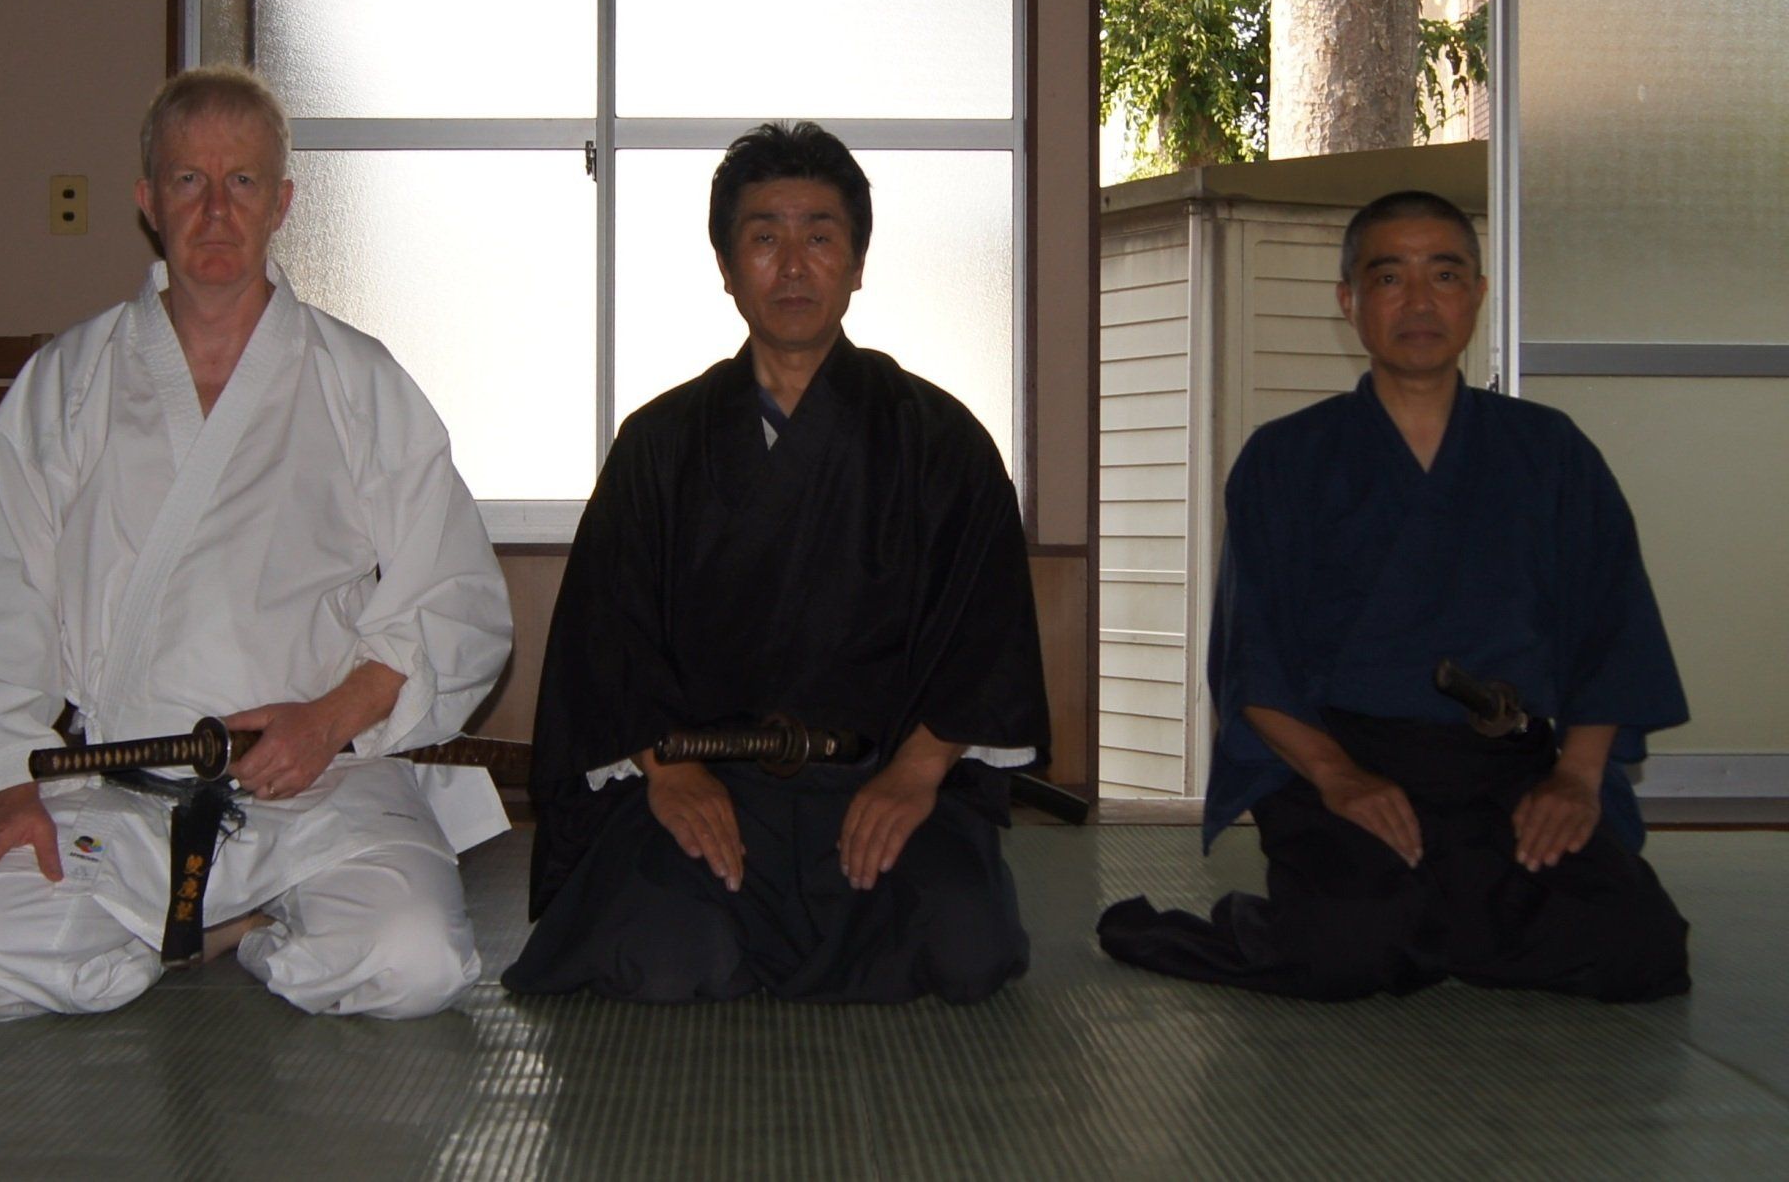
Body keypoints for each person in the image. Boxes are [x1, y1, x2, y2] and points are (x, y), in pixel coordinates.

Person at [0, 67, 514, 1021]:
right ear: (149, 202)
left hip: (319, 780)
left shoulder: (358, 380)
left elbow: (459, 594)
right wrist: (5, 784)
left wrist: (330, 717)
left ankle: (237, 928)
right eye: (189, 181)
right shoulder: (67, 382)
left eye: (242, 182)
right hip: (118, 787)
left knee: (416, 962)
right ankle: (195, 930)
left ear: (282, 201)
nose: (217, 210)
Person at [504, 122, 1050, 1004]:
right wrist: (671, 772)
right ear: (726, 266)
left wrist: (917, 774)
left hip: (882, 780)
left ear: (858, 262)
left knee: (964, 948)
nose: (793, 265)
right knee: (664, 952)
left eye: (820, 236)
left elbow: (985, 631)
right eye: (764, 237)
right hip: (714, 784)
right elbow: (609, 635)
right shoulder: (660, 445)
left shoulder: (938, 440)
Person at [1098, 190, 1691, 1003]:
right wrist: (1339, 777)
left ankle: (1428, 913)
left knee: (1641, 952)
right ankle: (1351, 919)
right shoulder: (1286, 460)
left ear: (1477, 293)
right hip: (1346, 762)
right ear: (1349, 301)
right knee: (1348, 955)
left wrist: (1578, 778)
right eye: (1389, 278)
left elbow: (1612, 628)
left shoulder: (1549, 451)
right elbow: (1252, 662)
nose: (1419, 301)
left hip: (1503, 769)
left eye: (1444, 274)